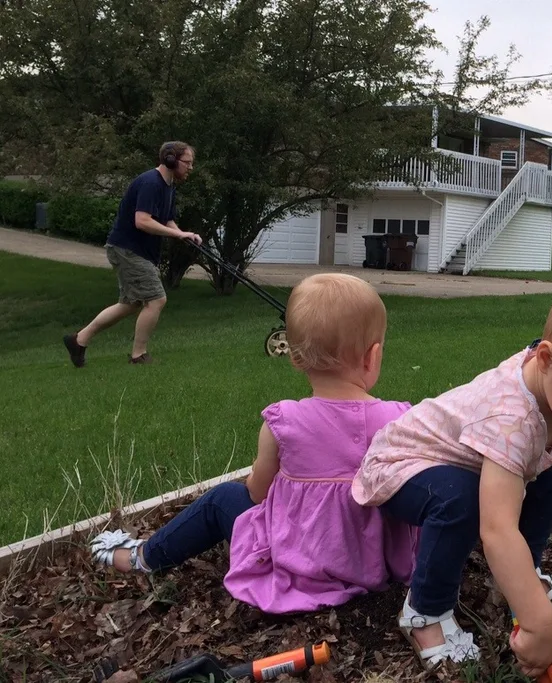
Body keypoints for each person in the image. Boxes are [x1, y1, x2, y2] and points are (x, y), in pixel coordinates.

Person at [352, 273, 552, 677]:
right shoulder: (511, 419)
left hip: (451, 461)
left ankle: (522, 577)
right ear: (548, 358)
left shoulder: (550, 372)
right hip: (397, 466)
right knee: (463, 500)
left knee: (549, 472)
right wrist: (538, 622)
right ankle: (424, 614)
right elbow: (497, 528)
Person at [89, 273, 419, 614]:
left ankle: (143, 557)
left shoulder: (283, 422)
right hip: (374, 563)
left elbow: (258, 493)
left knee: (223, 499)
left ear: (293, 356)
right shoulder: (399, 420)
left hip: (302, 562)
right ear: (373, 356)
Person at [63, 141, 203, 367]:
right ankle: (139, 356)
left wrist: (185, 235)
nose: (190, 168)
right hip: (127, 249)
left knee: (129, 304)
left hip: (135, 251)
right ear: (171, 160)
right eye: (187, 163)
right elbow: (142, 221)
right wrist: (177, 235)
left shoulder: (168, 186)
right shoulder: (150, 183)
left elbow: (166, 219)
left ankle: (78, 340)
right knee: (157, 299)